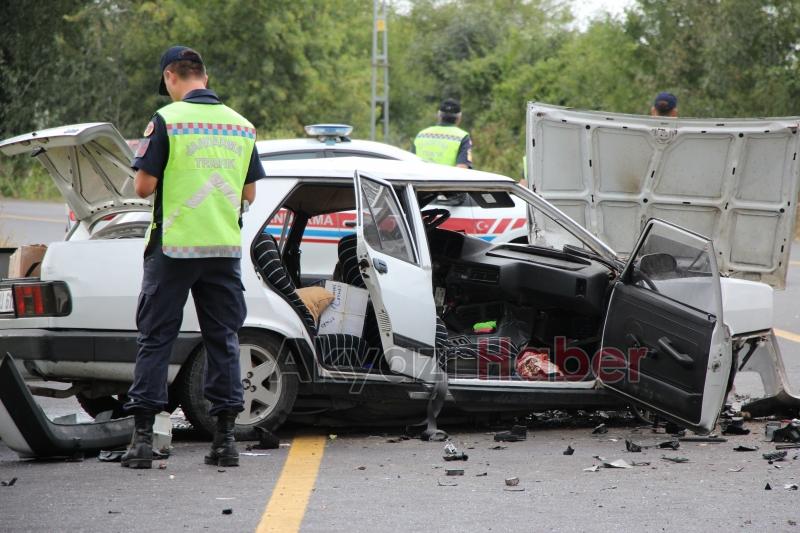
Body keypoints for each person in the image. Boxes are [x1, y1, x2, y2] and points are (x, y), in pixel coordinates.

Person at [120, 45, 265, 469]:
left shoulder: (167, 120)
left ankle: (143, 441)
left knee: (155, 339)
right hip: (222, 248)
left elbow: (143, 188)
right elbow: (249, 193)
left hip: (174, 248)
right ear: (204, 74)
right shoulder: (241, 126)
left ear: (171, 77)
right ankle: (224, 443)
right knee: (224, 340)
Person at [412, 98, 473, 168]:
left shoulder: (421, 135)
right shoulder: (463, 137)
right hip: (446, 179)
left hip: (420, 178)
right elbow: (462, 168)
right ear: (459, 118)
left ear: (439, 115)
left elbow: (409, 163)